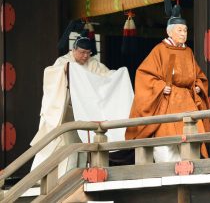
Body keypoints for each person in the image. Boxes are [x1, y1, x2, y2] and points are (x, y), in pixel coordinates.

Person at [30, 22, 133, 177]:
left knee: (84, 145)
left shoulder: (93, 64)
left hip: (84, 113)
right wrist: (65, 72)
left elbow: (106, 79)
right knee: (58, 145)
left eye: (88, 53)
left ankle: (76, 176)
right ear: (74, 50)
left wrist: (119, 75)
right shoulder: (64, 62)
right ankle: (43, 177)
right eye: (82, 52)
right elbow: (49, 73)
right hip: (65, 114)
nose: (85, 56)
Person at [125, 6, 210, 162]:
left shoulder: (188, 52)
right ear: (169, 32)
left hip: (186, 101)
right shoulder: (160, 50)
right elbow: (144, 75)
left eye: (185, 31)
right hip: (168, 101)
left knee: (190, 144)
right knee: (166, 144)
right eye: (180, 30)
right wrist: (159, 86)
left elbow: (198, 75)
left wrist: (197, 85)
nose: (184, 34)